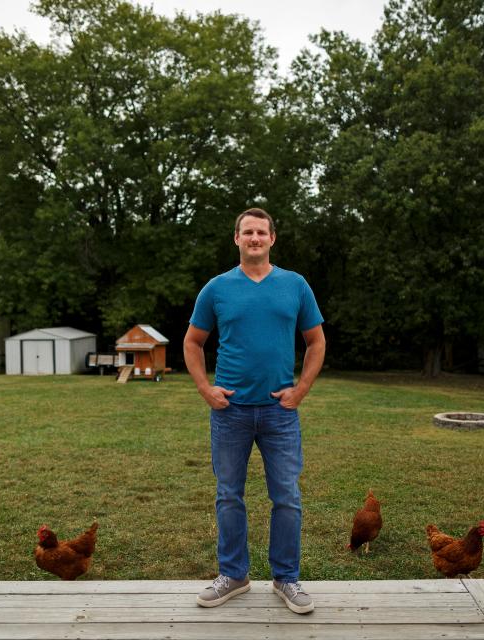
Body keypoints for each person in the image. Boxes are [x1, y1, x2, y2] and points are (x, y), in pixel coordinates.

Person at [184, 207, 326, 615]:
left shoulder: (295, 286)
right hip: (230, 412)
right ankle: (234, 575)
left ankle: (287, 579)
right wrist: (205, 388)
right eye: (247, 232)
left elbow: (316, 342)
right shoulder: (217, 289)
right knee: (229, 496)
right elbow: (193, 342)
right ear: (237, 239)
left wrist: (300, 391)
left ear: (272, 238)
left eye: (261, 232)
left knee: (287, 497)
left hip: (280, 413)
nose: (255, 238)